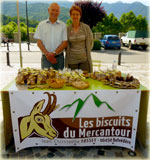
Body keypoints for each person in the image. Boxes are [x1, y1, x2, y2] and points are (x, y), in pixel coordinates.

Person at [34, 3, 68, 70]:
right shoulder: (41, 24)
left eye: (57, 11)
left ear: (59, 12)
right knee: (46, 79)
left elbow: (65, 43)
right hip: (46, 58)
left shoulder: (63, 25)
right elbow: (39, 42)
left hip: (59, 58)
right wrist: (48, 55)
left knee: (59, 79)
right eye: (53, 10)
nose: (54, 12)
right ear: (48, 10)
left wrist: (53, 53)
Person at [65, 5, 93, 73]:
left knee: (86, 80)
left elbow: (91, 42)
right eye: (73, 14)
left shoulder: (86, 28)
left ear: (80, 15)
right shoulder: (67, 29)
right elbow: (65, 44)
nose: (75, 16)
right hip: (72, 60)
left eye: (77, 14)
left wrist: (86, 53)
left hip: (84, 60)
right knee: (73, 80)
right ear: (70, 16)